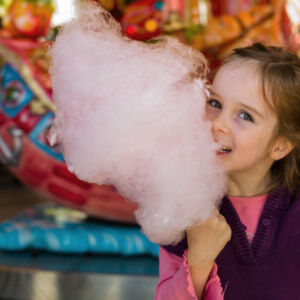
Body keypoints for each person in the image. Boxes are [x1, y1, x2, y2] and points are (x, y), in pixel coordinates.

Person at [154, 42, 300, 299]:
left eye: (245, 116)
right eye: (215, 103)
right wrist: (199, 260)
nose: (218, 123)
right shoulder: (183, 208)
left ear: (280, 145)